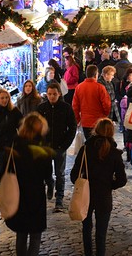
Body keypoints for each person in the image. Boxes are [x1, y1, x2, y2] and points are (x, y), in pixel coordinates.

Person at [70, 118, 127, 256]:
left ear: (96, 130)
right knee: (101, 233)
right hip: (104, 196)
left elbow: (73, 175)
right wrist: (109, 185)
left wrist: (83, 181)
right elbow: (122, 180)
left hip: (86, 195)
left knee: (86, 229)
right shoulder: (114, 153)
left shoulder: (85, 149)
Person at [5, 112, 54, 256]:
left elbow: (6, 169)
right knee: (35, 233)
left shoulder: (15, 143)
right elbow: (47, 173)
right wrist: (50, 186)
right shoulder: (42, 146)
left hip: (18, 191)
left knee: (21, 233)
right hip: (35, 193)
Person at [36, 81, 77, 212]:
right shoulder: (41, 108)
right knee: (46, 173)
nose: (52, 96)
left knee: (60, 173)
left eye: (54, 94)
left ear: (59, 94)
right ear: (46, 94)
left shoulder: (66, 108)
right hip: (45, 147)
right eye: (49, 94)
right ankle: (49, 184)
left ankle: (59, 198)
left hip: (60, 146)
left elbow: (72, 127)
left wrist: (65, 145)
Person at [72, 64, 111, 139]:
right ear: (96, 74)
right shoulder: (100, 88)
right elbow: (106, 104)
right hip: (99, 121)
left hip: (85, 121)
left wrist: (77, 120)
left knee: (89, 143)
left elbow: (75, 106)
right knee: (99, 144)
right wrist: (105, 115)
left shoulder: (79, 87)